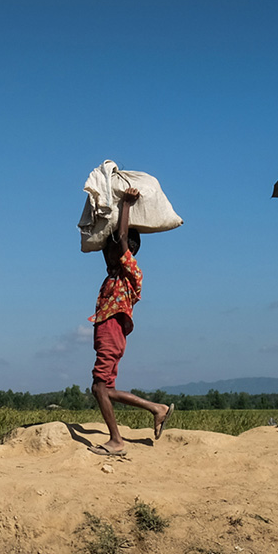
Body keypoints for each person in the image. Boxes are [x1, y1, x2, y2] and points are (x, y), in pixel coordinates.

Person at [88, 187, 171, 454]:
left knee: (100, 386)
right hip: (107, 330)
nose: (108, 252)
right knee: (104, 389)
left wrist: (125, 205)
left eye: (114, 249)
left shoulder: (131, 270)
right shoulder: (112, 271)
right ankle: (157, 408)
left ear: (129, 250)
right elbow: (105, 242)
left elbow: (121, 237)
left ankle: (116, 440)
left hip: (112, 329)